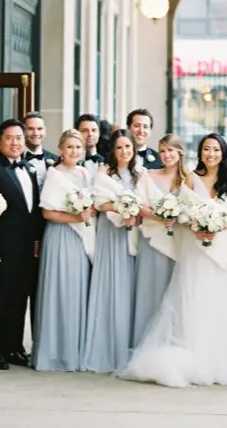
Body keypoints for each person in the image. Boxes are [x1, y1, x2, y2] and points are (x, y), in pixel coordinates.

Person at [125, 133, 227, 386]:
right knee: (193, 300)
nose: (211, 154)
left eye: (216, 150)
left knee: (224, 304)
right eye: (206, 149)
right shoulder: (190, 178)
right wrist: (196, 227)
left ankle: (223, 360)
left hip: (224, 253)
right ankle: (195, 356)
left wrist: (217, 226)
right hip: (195, 251)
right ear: (199, 152)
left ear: (223, 154)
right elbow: (183, 211)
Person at [0, 118, 43, 370]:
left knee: (19, 298)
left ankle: (15, 347)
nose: (15, 143)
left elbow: (33, 211)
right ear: (0, 140)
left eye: (19, 138)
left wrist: (36, 240)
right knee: (0, 299)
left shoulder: (30, 169)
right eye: (10, 138)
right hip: (2, 248)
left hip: (26, 248)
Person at [34, 129, 96, 372]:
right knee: (59, 290)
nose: (74, 151)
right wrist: (74, 216)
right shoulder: (54, 174)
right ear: (61, 149)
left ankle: (75, 350)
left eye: (78, 147)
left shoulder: (84, 173)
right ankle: (55, 353)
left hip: (81, 238)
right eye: (69, 147)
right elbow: (47, 212)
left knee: (77, 290)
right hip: (61, 236)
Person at [82, 129, 140, 373]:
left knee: (128, 287)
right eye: (119, 147)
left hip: (131, 233)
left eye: (128, 147)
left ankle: (126, 346)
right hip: (110, 230)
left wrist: (133, 214)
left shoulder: (140, 174)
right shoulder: (105, 172)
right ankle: (104, 347)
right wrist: (120, 208)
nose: (124, 151)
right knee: (108, 285)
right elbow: (98, 203)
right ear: (113, 151)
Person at [130, 133, 187, 347]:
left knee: (176, 293)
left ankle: (174, 343)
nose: (166, 155)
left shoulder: (189, 178)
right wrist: (160, 215)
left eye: (171, 150)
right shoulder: (149, 175)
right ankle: (145, 344)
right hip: (152, 241)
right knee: (150, 292)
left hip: (179, 242)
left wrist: (177, 216)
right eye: (162, 151)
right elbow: (139, 205)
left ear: (180, 152)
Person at [23, 111, 57, 189]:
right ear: (23, 131)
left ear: (45, 130)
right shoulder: (15, 161)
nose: (36, 133)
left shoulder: (56, 160)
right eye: (30, 129)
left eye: (40, 129)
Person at [76, 113, 103, 178]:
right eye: (85, 131)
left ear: (99, 133)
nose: (90, 134)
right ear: (77, 133)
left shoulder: (107, 162)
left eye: (94, 130)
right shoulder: (68, 161)